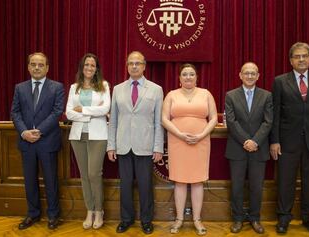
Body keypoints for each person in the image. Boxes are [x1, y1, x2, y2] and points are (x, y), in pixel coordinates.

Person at [270, 42, 309, 234]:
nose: (301, 59)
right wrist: (274, 140)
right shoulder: (280, 81)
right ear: (291, 60)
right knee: (285, 181)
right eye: (297, 56)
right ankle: (283, 217)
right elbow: (276, 114)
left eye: (305, 55)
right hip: (287, 141)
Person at [107, 51, 164, 235]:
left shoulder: (156, 89)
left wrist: (157, 147)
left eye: (137, 63)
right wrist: (111, 145)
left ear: (144, 66)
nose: (134, 66)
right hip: (123, 145)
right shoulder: (117, 89)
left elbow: (158, 122)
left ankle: (146, 221)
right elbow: (113, 120)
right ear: (126, 65)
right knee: (125, 186)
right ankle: (126, 219)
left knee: (146, 186)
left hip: (145, 146)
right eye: (131, 63)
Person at [162, 63, 218, 235]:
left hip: (200, 142)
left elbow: (214, 117)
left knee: (197, 180)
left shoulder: (206, 94)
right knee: (179, 180)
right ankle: (179, 219)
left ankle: (197, 219)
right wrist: (180, 134)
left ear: (196, 77)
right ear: (179, 78)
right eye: (184, 74)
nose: (188, 77)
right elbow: (164, 119)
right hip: (178, 142)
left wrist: (201, 135)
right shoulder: (171, 95)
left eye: (191, 74)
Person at [10, 52, 65, 230]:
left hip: (47, 141)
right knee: (30, 180)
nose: (36, 67)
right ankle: (32, 214)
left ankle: (53, 215)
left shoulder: (56, 87)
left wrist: (39, 131)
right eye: (33, 64)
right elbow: (15, 112)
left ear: (47, 68)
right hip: (26, 141)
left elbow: (57, 112)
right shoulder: (20, 88)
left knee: (50, 180)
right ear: (28, 67)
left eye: (40, 64)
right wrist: (24, 132)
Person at [225, 62, 273, 234]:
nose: (250, 76)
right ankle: (237, 219)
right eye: (247, 73)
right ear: (240, 75)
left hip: (259, 149)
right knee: (237, 186)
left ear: (258, 76)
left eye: (253, 73)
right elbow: (231, 121)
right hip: (237, 148)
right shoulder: (230, 95)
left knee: (256, 187)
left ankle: (255, 218)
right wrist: (246, 140)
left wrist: (255, 141)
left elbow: (268, 122)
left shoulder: (267, 96)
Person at [66, 53, 110, 229]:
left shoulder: (104, 86)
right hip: (78, 136)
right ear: (82, 68)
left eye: (92, 65)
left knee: (94, 174)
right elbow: (68, 113)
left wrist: (82, 109)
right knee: (84, 175)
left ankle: (99, 210)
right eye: (86, 65)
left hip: (98, 135)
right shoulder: (73, 87)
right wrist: (93, 111)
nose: (89, 68)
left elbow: (106, 108)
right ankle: (89, 210)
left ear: (96, 68)